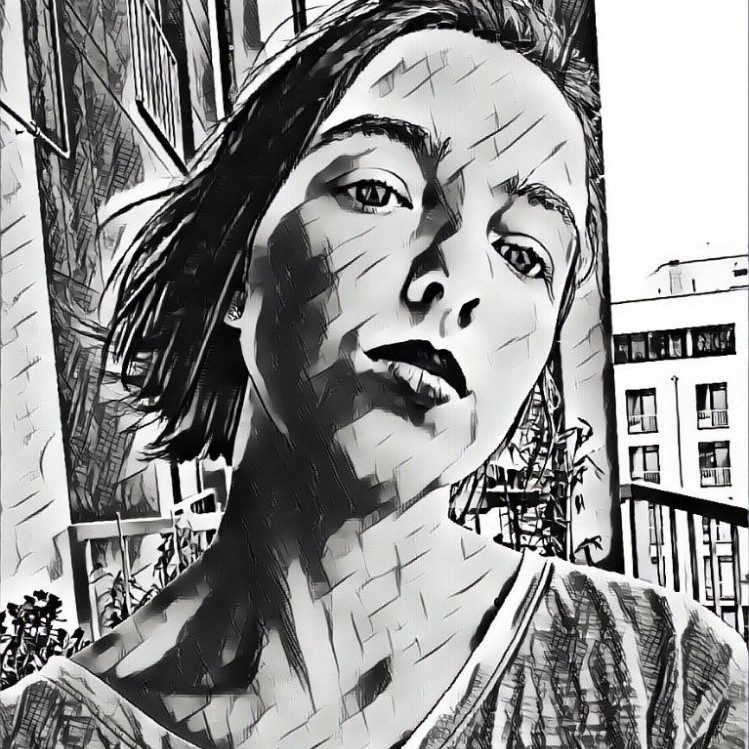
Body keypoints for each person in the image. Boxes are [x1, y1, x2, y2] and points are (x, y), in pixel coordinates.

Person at [1, 1, 746, 747]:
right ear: (235, 261)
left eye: (523, 253)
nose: (456, 278)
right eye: (378, 191)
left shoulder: (669, 686)